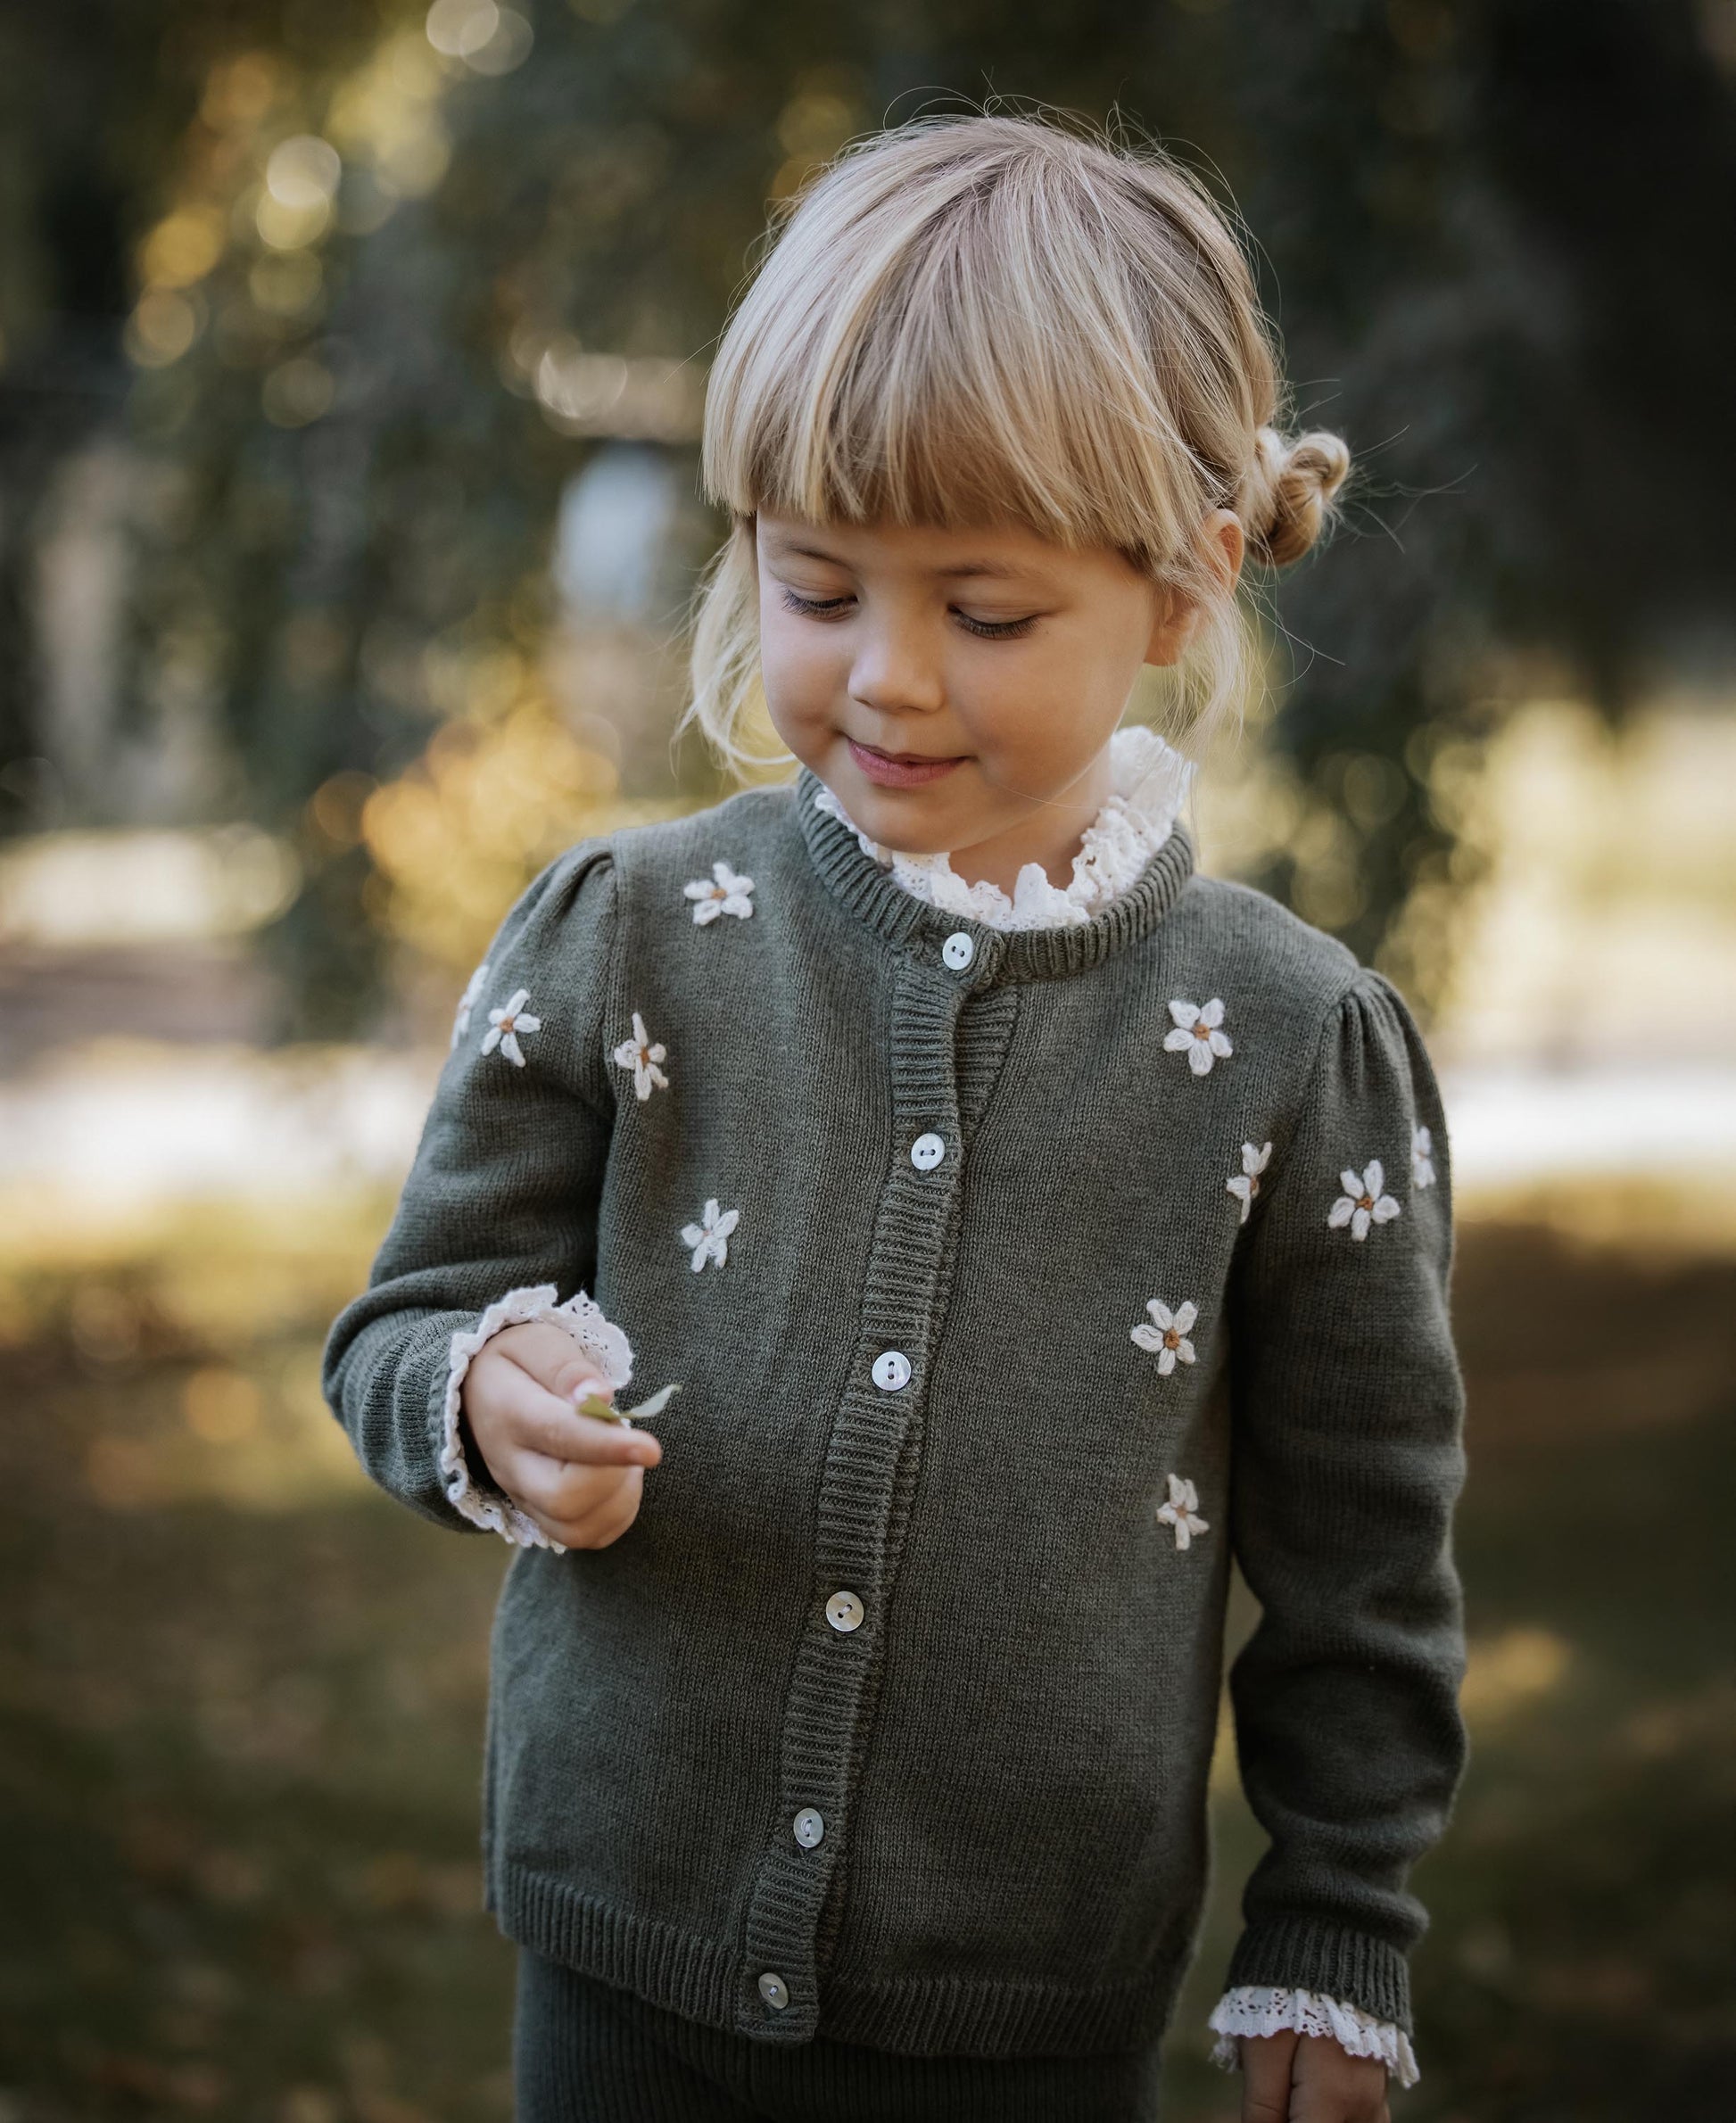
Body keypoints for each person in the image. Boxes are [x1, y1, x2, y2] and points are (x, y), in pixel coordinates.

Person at [323, 111, 1468, 2123]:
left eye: (988, 612)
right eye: (818, 583)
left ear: (1183, 583)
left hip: (1024, 2007)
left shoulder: (1294, 1046)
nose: (887, 677)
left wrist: (1338, 1918)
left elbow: (1362, 1547)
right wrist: (480, 1387)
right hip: (622, 1959)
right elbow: (400, 1323)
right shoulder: (632, 935)